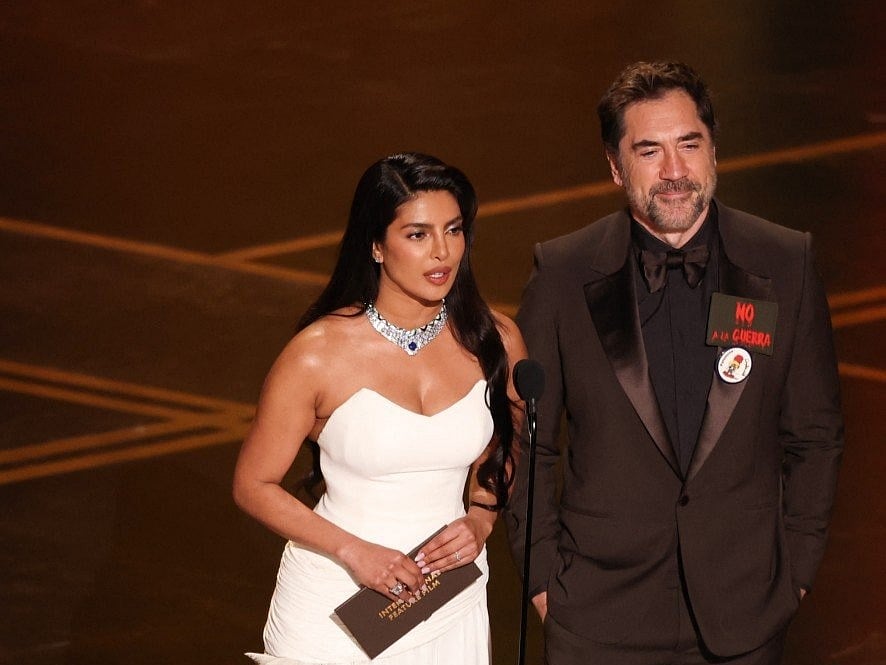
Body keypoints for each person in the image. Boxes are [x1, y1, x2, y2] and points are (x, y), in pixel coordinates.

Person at [505, 61, 843, 664]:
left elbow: (815, 435)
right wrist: (541, 579)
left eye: (690, 145)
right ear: (615, 166)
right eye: (649, 151)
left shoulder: (784, 262)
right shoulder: (562, 274)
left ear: (714, 150)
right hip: (598, 615)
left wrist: (794, 572)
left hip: (745, 615)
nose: (675, 172)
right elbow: (526, 441)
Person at [233, 152, 527, 664]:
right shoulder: (317, 354)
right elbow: (253, 485)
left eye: (453, 230)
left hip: (448, 601)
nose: (442, 253)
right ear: (375, 245)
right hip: (336, 606)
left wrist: (481, 516)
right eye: (417, 235)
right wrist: (354, 552)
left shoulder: (494, 339)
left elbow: (512, 433)